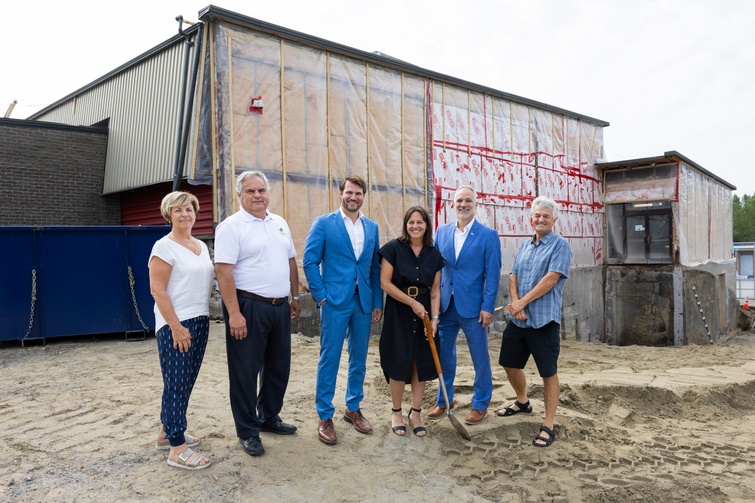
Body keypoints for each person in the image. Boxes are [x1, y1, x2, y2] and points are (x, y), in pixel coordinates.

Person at [214, 170, 301, 457]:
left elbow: (290, 260)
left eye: (261, 190)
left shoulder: (279, 223)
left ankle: (268, 417)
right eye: (250, 191)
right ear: (240, 195)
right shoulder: (231, 227)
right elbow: (223, 271)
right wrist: (234, 313)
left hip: (279, 307)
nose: (257, 196)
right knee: (245, 371)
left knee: (278, 367)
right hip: (248, 307)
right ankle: (248, 430)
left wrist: (295, 294)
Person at [303, 175, 383, 445]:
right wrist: (321, 297)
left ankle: (353, 407)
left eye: (358, 193)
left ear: (363, 196)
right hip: (335, 302)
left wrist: (377, 302)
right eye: (349, 192)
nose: (353, 197)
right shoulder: (324, 223)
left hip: (363, 302)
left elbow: (374, 267)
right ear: (340, 194)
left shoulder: (372, 227)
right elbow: (310, 261)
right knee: (330, 358)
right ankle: (325, 415)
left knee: (359, 358)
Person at [497, 196, 572, 448]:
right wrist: (516, 302)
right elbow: (513, 275)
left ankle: (548, 424)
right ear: (531, 218)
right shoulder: (525, 246)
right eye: (537, 215)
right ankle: (522, 401)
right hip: (519, 320)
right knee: (508, 363)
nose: (541, 219)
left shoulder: (560, 246)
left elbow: (550, 280)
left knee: (548, 373)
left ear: (554, 220)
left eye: (546, 216)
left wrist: (522, 303)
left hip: (543, 321)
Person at [149, 191, 214, 471]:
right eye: (178, 210)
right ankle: (177, 448)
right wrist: (176, 327)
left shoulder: (201, 245)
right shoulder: (163, 247)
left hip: (200, 319)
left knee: (185, 382)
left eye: (189, 209)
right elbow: (157, 290)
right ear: (168, 215)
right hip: (176, 324)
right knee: (176, 384)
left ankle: (167, 433)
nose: (185, 214)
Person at [428, 185, 502, 425]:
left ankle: (480, 404)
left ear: (475, 204)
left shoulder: (488, 235)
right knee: (444, 356)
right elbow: (437, 272)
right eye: (459, 200)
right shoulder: (442, 232)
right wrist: (435, 308)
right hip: (447, 306)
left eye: (468, 200)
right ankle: (444, 401)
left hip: (474, 307)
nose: (463, 204)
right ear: (453, 204)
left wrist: (488, 306)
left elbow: (493, 274)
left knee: (480, 358)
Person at [378, 206, 443, 437]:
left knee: (421, 361)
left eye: (420, 222)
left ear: (427, 225)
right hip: (400, 310)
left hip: (425, 312)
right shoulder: (393, 249)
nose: (415, 226)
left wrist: (434, 319)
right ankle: (396, 412)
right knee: (398, 359)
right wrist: (412, 303)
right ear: (406, 224)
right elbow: (385, 283)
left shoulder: (434, 254)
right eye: (411, 222)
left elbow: (435, 290)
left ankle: (415, 413)